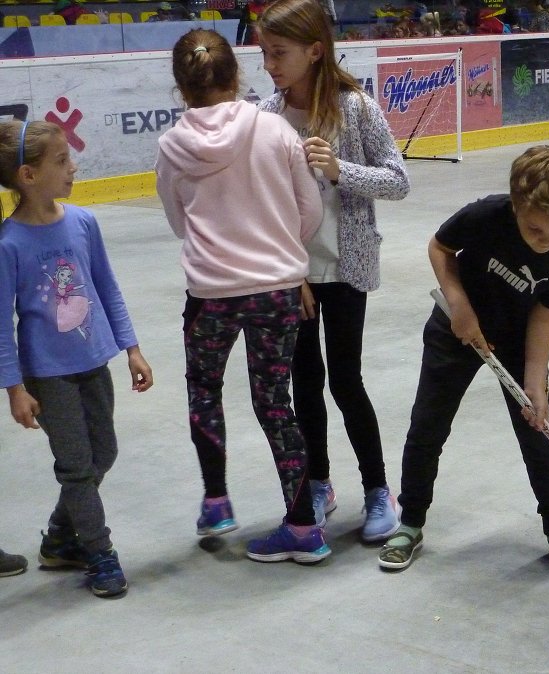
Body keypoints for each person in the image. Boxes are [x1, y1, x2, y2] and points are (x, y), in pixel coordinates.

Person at [155, 29, 327, 563]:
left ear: (181, 88)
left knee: (204, 388)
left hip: (210, 293)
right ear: (236, 76)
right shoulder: (275, 130)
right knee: (276, 403)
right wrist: (280, 248)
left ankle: (216, 499)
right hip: (276, 292)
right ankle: (302, 527)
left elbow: (178, 221)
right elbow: (310, 210)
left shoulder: (171, 146)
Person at [378, 145, 549, 576]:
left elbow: (543, 317)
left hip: (515, 340)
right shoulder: (485, 216)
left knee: (539, 429)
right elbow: (440, 248)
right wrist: (458, 304)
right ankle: (410, 522)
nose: (547, 241)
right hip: (456, 329)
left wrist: (536, 382)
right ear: (516, 206)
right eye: (536, 231)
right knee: (427, 425)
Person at [256, 0, 410, 543]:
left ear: (315, 50)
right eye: (265, 53)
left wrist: (337, 168)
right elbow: (264, 205)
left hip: (347, 269)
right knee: (305, 383)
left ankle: (377, 490)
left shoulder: (357, 109)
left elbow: (398, 180)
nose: (269, 63)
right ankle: (317, 483)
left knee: (346, 379)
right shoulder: (267, 117)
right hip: (292, 274)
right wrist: (288, 270)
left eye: (280, 53)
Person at [0, 120, 154, 598]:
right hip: (46, 374)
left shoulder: (84, 223)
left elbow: (106, 288)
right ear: (28, 175)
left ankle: (59, 537)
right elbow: (1, 325)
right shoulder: (9, 244)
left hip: (94, 360)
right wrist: (15, 388)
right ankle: (100, 553)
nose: (73, 167)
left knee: (102, 452)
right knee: (76, 466)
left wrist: (131, 346)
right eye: (61, 161)